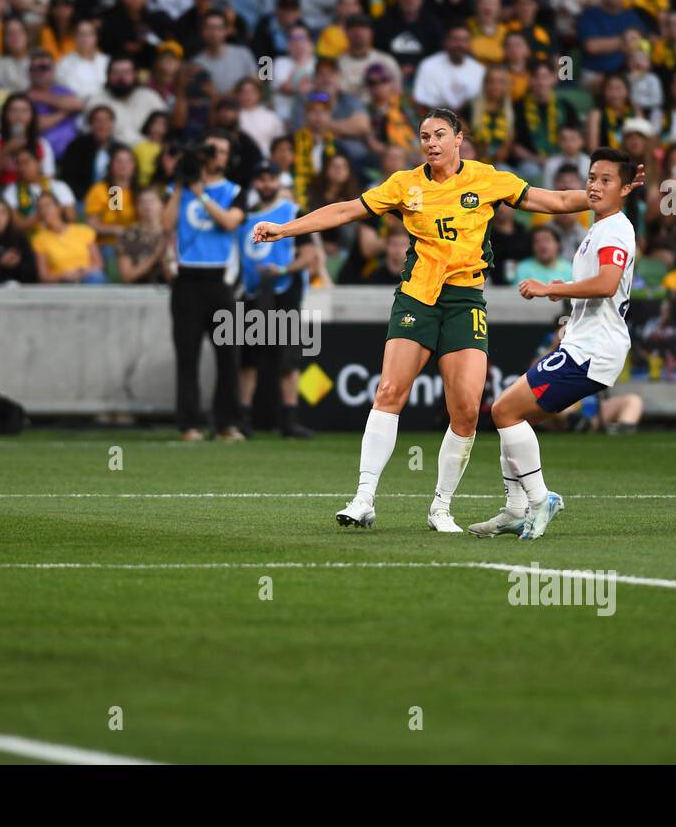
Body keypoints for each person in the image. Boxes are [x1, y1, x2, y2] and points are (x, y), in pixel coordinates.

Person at [251, 109, 643, 532]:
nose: (431, 143)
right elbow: (347, 210)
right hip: (417, 297)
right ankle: (363, 498)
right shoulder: (405, 184)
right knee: (389, 390)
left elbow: (557, 201)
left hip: (465, 302)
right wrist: (285, 229)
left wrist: (610, 192)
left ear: (460, 138)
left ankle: (441, 507)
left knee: (467, 411)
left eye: (440, 134)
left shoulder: (487, 179)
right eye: (424, 136)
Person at [469, 148, 637, 540]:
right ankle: (514, 510)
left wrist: (552, 288)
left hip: (593, 350)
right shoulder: (599, 226)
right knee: (513, 416)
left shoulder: (614, 229)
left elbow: (608, 283)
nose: (595, 186)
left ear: (625, 188)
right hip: (582, 344)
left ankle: (539, 499)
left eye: (606, 180)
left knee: (505, 412)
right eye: (592, 177)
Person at [162, 130, 247, 441]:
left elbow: (229, 222)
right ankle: (190, 423)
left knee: (228, 354)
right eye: (211, 150)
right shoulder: (178, 188)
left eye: (221, 151)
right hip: (186, 279)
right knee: (187, 353)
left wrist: (200, 194)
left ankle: (226, 422)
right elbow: (165, 224)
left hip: (219, 279)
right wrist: (180, 186)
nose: (216, 157)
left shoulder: (234, 190)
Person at [236, 162, 316, 440]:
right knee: (248, 359)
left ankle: (289, 420)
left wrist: (281, 270)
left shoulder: (292, 212)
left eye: (271, 178)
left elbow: (308, 256)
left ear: (278, 182)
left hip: (285, 291)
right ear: (255, 184)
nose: (266, 183)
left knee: (288, 360)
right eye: (261, 179)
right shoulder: (243, 218)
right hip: (252, 293)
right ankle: (243, 418)